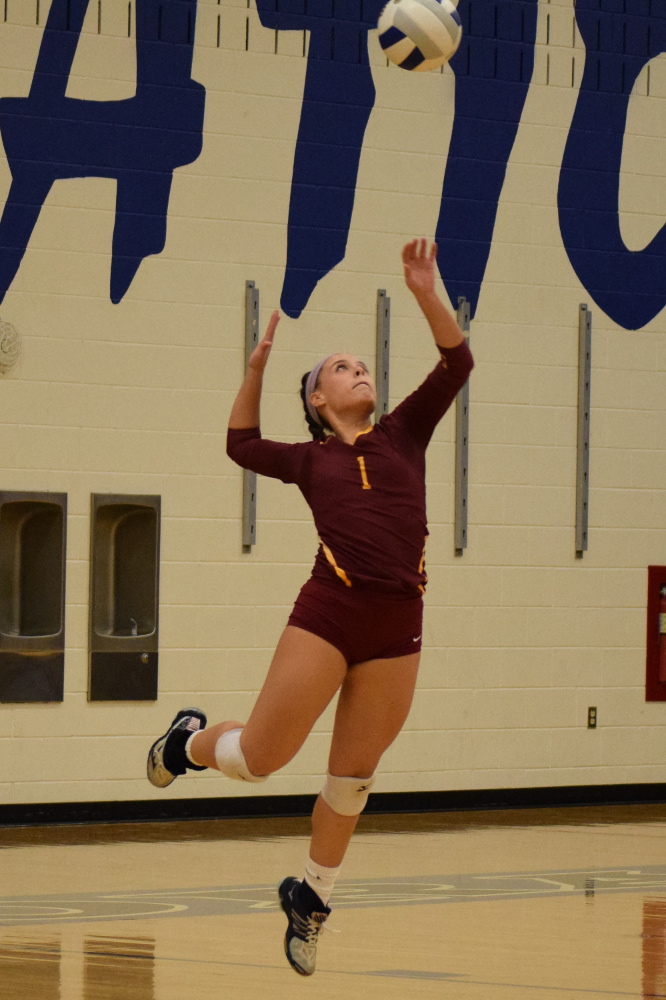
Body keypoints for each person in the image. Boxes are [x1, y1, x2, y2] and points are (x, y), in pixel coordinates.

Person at [146, 239, 474, 976]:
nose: (360, 370)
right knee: (260, 759)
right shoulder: (310, 458)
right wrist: (257, 369)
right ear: (319, 402)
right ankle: (189, 742)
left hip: (399, 623)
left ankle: (311, 896)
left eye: (363, 365)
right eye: (341, 368)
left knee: (352, 779)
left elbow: (457, 364)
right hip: (329, 611)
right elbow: (239, 443)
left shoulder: (403, 435)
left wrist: (426, 289)